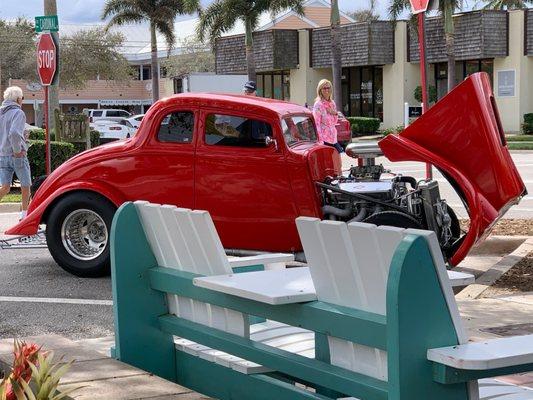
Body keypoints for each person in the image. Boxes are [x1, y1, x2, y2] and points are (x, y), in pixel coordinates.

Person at [0, 86, 31, 220]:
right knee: (25, 186)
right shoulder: (18, 113)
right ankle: (24, 217)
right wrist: (18, 150)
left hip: (2, 155)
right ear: (18, 99)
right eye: (22, 98)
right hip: (16, 155)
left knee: (5, 187)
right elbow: (13, 133)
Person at [312, 79, 343, 153]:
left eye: (328, 88)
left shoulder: (332, 103)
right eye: (324, 88)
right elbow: (317, 124)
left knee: (338, 159)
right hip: (324, 140)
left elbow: (334, 122)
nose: (326, 90)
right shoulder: (318, 104)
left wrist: (334, 113)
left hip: (333, 138)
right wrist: (320, 141)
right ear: (320, 90)